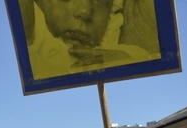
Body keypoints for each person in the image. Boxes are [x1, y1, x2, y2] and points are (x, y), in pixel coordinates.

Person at [26, 0, 158, 80]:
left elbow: (146, 57)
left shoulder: (119, 45)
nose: (85, 11)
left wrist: (124, 60)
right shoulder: (33, 31)